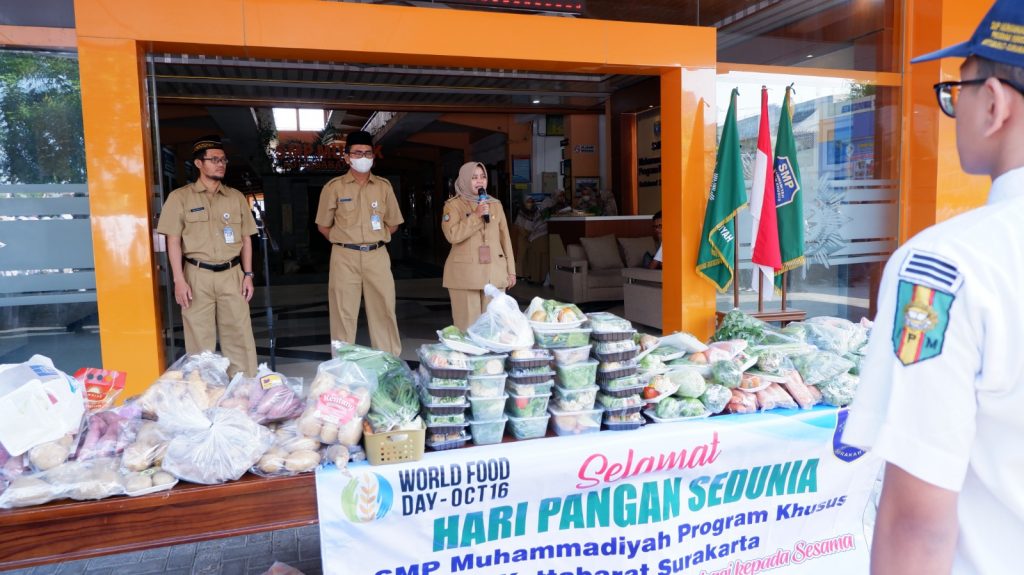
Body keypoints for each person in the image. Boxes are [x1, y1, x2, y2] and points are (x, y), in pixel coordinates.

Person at [842, 2, 1024, 573]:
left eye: (956, 90)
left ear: (994, 102)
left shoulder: (947, 265)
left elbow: (917, 522)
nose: (954, 108)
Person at [156, 135, 258, 377]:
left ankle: (243, 390)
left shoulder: (235, 197)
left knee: (239, 333)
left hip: (232, 274)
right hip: (196, 275)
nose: (220, 164)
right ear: (199, 164)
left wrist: (248, 274)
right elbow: (173, 240)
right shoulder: (180, 197)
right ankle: (205, 391)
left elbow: (246, 239)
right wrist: (178, 280)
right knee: (200, 338)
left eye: (223, 159)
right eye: (214, 159)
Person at [315, 130, 403, 356]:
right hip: (345, 256)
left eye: (367, 153)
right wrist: (345, 241)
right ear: (347, 157)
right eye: (357, 153)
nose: (363, 157)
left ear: (373, 156)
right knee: (343, 312)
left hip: (377, 255)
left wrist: (375, 238)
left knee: (384, 309)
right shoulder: (333, 187)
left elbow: (393, 223)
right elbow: (323, 226)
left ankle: (388, 364)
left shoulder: (383, 186)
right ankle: (342, 368)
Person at [442, 162, 516, 331]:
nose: (479, 181)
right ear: (464, 180)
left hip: (494, 273)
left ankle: (491, 359)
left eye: (483, 177)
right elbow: (452, 235)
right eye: (474, 177)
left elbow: (505, 239)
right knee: (468, 328)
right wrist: (476, 216)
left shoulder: (495, 204)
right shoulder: (452, 205)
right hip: (465, 277)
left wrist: (511, 270)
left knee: (494, 328)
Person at [513, 195, 550, 285]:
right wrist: (525, 234)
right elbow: (518, 224)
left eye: (531, 201)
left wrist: (532, 234)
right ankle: (519, 274)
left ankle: (528, 274)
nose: (530, 204)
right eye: (528, 202)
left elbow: (538, 222)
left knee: (530, 256)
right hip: (523, 236)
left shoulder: (536, 211)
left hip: (533, 235)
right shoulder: (521, 212)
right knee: (521, 255)